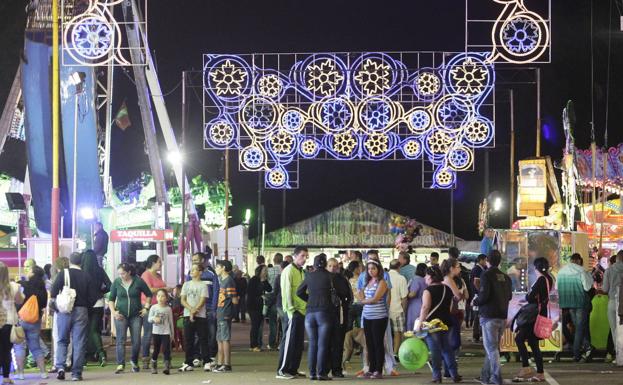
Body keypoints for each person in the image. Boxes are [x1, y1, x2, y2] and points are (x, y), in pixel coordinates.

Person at [50, 252, 98, 381]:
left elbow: (53, 292)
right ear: (81, 262)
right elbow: (93, 297)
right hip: (81, 311)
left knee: (62, 340)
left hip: (64, 311)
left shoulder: (63, 274)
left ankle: (60, 367)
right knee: (79, 342)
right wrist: (85, 306)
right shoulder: (86, 276)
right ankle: (76, 373)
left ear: (70, 261)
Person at [473, 250, 512, 385]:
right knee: (493, 348)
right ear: (499, 261)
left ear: (488, 261)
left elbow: (484, 296)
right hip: (502, 316)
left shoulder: (486, 275)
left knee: (491, 349)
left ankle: (496, 377)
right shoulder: (506, 277)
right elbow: (510, 296)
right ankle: (485, 376)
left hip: (489, 316)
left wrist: (475, 301)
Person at [416, 266, 460, 383]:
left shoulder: (428, 291)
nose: (425, 277)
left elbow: (425, 307)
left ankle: (437, 376)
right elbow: (451, 308)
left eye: (426, 275)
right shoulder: (447, 289)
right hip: (447, 322)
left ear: (430, 277)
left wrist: (420, 322)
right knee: (447, 349)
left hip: (433, 325)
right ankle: (454, 374)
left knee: (435, 350)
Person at [513, 257, 553, 382]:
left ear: (537, 268)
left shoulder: (541, 279)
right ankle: (539, 372)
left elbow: (530, 297)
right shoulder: (549, 278)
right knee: (533, 343)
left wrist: (527, 296)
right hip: (540, 313)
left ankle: (526, 367)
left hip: (533, 316)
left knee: (519, 339)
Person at [295, 254, 335, 380]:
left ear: (314, 264)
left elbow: (298, 292)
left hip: (310, 313)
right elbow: (338, 293)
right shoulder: (330, 276)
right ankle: (321, 373)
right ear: (325, 264)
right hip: (324, 312)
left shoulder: (309, 276)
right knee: (322, 344)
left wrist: (309, 300)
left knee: (313, 343)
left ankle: (312, 373)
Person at [109, 262, 152, 374]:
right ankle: (120, 364)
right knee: (120, 340)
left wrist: (146, 308)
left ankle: (134, 361)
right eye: (119, 273)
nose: (121, 276)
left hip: (136, 315)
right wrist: (114, 312)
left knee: (136, 340)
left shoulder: (138, 281)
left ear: (129, 272)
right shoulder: (116, 283)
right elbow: (111, 299)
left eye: (123, 273)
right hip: (121, 315)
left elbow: (149, 294)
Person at [276, 246, 309, 380]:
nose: (305, 259)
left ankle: (293, 369)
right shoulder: (288, 271)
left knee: (298, 343)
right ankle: (282, 370)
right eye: (302, 256)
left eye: (306, 256)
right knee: (289, 341)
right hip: (292, 312)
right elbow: (286, 292)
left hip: (302, 311)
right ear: (295, 256)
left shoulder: (302, 271)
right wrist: (291, 310)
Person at [556, 253, 593, 362]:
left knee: (579, 327)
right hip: (581, 303)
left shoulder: (561, 271)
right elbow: (587, 287)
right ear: (578, 261)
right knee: (580, 328)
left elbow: (556, 287)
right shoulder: (581, 270)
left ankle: (587, 347)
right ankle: (576, 353)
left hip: (568, 303)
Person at [14, 264, 48, 380]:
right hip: (35, 320)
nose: (27, 271)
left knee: (19, 347)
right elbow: (43, 305)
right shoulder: (43, 289)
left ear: (33, 273)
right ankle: (43, 372)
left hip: (21, 319)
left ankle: (20, 374)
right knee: (36, 347)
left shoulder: (23, 285)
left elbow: (17, 301)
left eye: (29, 270)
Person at [188, 252, 219, 369]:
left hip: (209, 308)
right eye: (192, 260)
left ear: (202, 260)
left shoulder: (211, 274)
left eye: (195, 259)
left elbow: (216, 291)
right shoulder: (189, 274)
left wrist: (214, 308)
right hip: (195, 309)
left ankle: (211, 356)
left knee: (211, 333)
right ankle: (197, 356)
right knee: (196, 334)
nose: (193, 262)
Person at [359, 259, 389, 379]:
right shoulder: (367, 281)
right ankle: (371, 369)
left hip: (379, 317)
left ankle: (378, 370)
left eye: (373, 269)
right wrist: (364, 300)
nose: (371, 271)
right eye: (369, 269)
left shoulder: (382, 282)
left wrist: (364, 301)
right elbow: (360, 293)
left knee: (378, 343)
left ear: (378, 269)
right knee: (369, 343)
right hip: (367, 316)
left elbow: (375, 299)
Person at [81, 250, 111, 367]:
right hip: (98, 302)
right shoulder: (99, 270)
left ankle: (84, 356)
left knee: (84, 330)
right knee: (94, 330)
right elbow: (109, 285)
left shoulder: (81, 271)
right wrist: (100, 292)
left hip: (84, 303)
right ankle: (101, 355)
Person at [179, 264, 209, 372]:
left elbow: (202, 300)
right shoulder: (186, 285)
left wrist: (194, 311)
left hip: (201, 316)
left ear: (200, 272)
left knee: (203, 339)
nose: (192, 271)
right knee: (188, 340)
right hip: (188, 315)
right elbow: (182, 300)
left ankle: (206, 361)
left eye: (195, 269)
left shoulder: (203, 285)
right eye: (191, 270)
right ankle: (188, 362)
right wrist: (191, 310)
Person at [140, 254, 168, 369]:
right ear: (152, 263)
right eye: (159, 262)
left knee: (162, 332)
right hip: (149, 306)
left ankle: (162, 357)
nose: (161, 264)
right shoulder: (146, 274)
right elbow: (149, 290)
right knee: (148, 333)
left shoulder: (159, 275)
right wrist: (164, 289)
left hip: (160, 306)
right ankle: (145, 358)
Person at [326, 257, 352, 378]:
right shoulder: (323, 278)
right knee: (326, 343)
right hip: (326, 315)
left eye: (335, 266)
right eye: (330, 266)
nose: (333, 268)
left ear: (338, 267)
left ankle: (337, 369)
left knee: (338, 343)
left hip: (340, 315)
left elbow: (349, 296)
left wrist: (345, 307)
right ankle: (325, 368)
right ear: (327, 266)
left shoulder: (342, 279)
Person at [1, 261, 24, 384]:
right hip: (9, 322)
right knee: (6, 350)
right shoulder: (14, 286)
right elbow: (20, 301)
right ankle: (5, 377)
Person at [214, 259, 238, 372]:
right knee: (220, 339)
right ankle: (220, 363)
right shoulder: (222, 280)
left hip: (225, 313)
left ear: (223, 268)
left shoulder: (229, 281)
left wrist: (230, 313)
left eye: (217, 267)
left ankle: (227, 364)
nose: (216, 269)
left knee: (225, 339)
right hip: (220, 312)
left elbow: (234, 300)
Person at [148, 289, 175, 375]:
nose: (160, 298)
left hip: (166, 332)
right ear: (156, 297)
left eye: (163, 296)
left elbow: (171, 322)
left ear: (166, 298)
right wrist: (154, 319)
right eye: (158, 296)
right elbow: (149, 319)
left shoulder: (168, 309)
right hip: (156, 332)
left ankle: (166, 366)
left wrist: (172, 334)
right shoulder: (153, 307)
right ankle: (153, 365)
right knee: (156, 349)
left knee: (166, 349)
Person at [603, 250, 623, 360]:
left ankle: (619, 356)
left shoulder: (609, 270)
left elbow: (605, 289)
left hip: (612, 301)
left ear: (617, 258)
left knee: (614, 329)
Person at [247, 265, 272, 351]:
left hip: (260, 306)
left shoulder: (263, 280)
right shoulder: (254, 280)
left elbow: (269, 289)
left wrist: (264, 281)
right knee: (255, 325)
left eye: (266, 270)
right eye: (264, 270)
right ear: (260, 271)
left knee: (258, 325)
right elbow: (250, 293)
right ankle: (254, 345)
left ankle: (254, 344)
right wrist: (260, 296)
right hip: (253, 306)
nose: (266, 272)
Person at [388, 259, 408, 358]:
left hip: (384, 310)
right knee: (398, 334)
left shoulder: (384, 276)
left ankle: (388, 355)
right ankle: (395, 354)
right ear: (399, 267)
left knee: (386, 335)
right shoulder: (401, 278)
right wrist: (404, 311)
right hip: (398, 310)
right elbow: (404, 297)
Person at [264, 253, 283, 350]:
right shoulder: (284, 271)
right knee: (283, 322)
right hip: (282, 298)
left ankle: (272, 343)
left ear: (274, 260)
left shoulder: (269, 271)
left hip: (271, 297)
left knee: (273, 322)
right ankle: (281, 343)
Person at [406, 263, 428, 332]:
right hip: (424, 304)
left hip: (415, 306)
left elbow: (412, 294)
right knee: (422, 326)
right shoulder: (426, 280)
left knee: (413, 326)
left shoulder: (416, 279)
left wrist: (405, 295)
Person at [470, 254, 488, 343]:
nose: (486, 262)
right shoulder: (477, 269)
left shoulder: (481, 269)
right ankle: (476, 335)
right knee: (477, 315)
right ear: (481, 260)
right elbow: (476, 282)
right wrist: (481, 293)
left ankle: (478, 334)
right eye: (485, 260)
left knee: (478, 315)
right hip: (477, 295)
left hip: (478, 295)